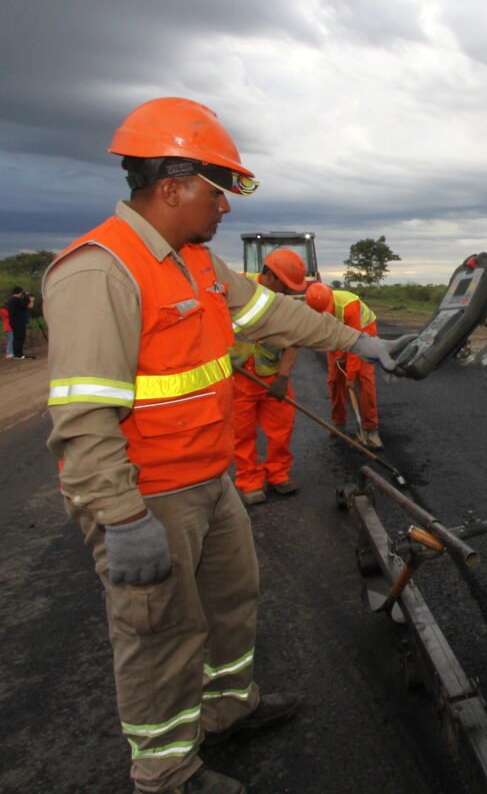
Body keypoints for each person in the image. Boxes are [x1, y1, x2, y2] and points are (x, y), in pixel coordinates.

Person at [43, 96, 409, 794]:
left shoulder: (196, 264)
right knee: (161, 634)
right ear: (172, 186)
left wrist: (366, 343)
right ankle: (166, 772)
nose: (226, 207)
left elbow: (279, 316)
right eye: (219, 190)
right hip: (149, 493)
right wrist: (121, 518)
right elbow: (83, 418)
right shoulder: (103, 271)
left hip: (208, 478)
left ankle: (226, 711)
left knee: (231, 599)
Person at [230, 248, 309, 507]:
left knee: (282, 428)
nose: (287, 292)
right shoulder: (235, 289)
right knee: (242, 433)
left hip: (272, 375)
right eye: (284, 285)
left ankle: (277, 473)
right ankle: (250, 481)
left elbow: (293, 342)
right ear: (269, 274)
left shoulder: (290, 303)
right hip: (238, 375)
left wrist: (283, 378)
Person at [303, 282, 383, 449]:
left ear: (331, 297)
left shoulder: (348, 306)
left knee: (364, 378)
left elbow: (354, 343)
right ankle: (339, 422)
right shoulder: (311, 311)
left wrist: (351, 376)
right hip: (337, 336)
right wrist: (339, 356)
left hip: (364, 335)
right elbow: (325, 338)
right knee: (334, 379)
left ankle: (371, 428)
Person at [5, 286, 34, 358]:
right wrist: (31, 300)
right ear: (20, 292)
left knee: (16, 338)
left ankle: (17, 354)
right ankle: (19, 354)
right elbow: (30, 306)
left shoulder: (10, 300)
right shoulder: (18, 300)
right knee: (20, 338)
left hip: (13, 322)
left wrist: (25, 299)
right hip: (19, 322)